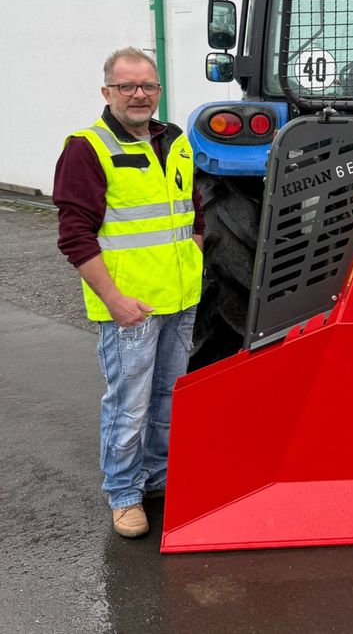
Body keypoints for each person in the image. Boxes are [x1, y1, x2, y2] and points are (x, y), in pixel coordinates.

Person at [54, 47, 204, 538]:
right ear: (107, 92)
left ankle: (158, 479)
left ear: (158, 90)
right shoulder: (86, 148)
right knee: (129, 406)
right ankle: (123, 494)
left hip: (180, 302)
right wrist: (116, 301)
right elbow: (75, 237)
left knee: (168, 400)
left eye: (148, 86)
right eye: (127, 86)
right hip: (131, 310)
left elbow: (192, 212)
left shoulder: (176, 141)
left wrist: (193, 268)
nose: (139, 94)